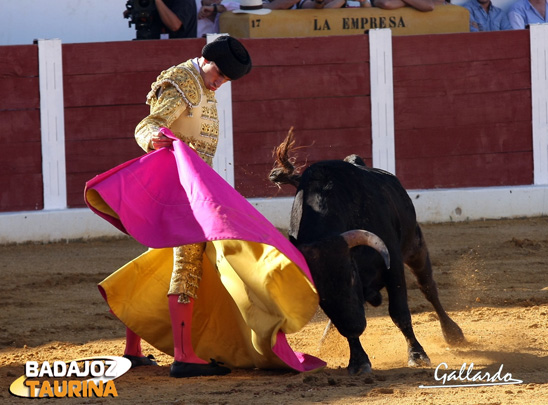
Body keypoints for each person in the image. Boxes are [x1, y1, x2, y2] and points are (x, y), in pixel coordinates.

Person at [124, 35, 252, 378]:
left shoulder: (203, 87)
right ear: (205, 58)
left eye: (226, 79)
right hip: (178, 191)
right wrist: (153, 138)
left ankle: (133, 349)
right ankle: (184, 356)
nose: (219, 82)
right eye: (218, 73)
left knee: (157, 263)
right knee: (188, 263)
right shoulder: (182, 81)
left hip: (186, 188)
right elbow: (148, 124)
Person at [124, 0, 197, 39]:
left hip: (180, 53)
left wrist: (157, 1)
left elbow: (175, 25)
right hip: (152, 47)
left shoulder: (184, 1)